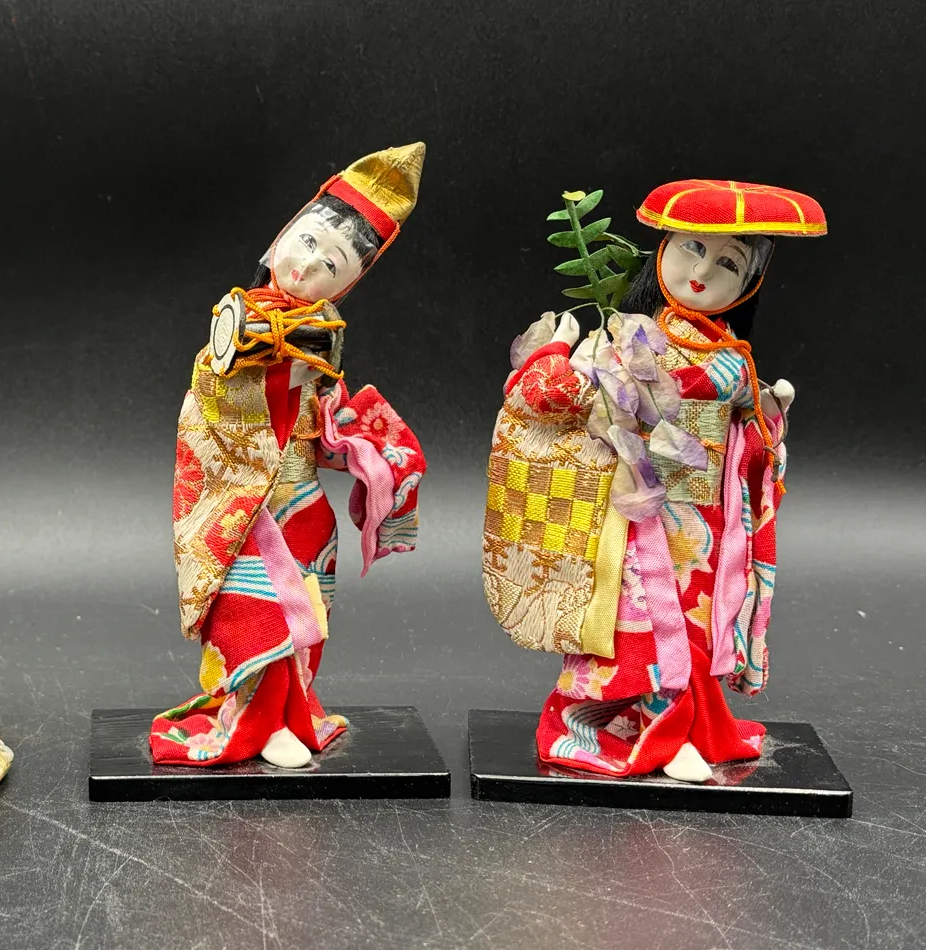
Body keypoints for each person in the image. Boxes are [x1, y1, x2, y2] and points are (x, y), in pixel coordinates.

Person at [490, 179, 827, 781]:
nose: (702, 272)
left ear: (749, 284)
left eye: (729, 263)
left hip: (708, 517)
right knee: (641, 630)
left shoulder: (732, 357)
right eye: (692, 247)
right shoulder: (624, 338)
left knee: (697, 624)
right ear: (663, 249)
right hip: (636, 512)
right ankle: (647, 732)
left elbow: (745, 423)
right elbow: (546, 397)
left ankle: (689, 727)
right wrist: (554, 357)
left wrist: (768, 419)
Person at [153, 144, 428, 769]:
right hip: (244, 502)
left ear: (348, 283)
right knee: (256, 614)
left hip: (302, 502)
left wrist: (359, 443)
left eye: (331, 263)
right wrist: (267, 372)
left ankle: (289, 715)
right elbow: (208, 400)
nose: (307, 265)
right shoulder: (239, 319)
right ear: (281, 238)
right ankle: (256, 723)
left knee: (304, 618)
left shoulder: (324, 335)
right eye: (306, 241)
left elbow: (324, 421)